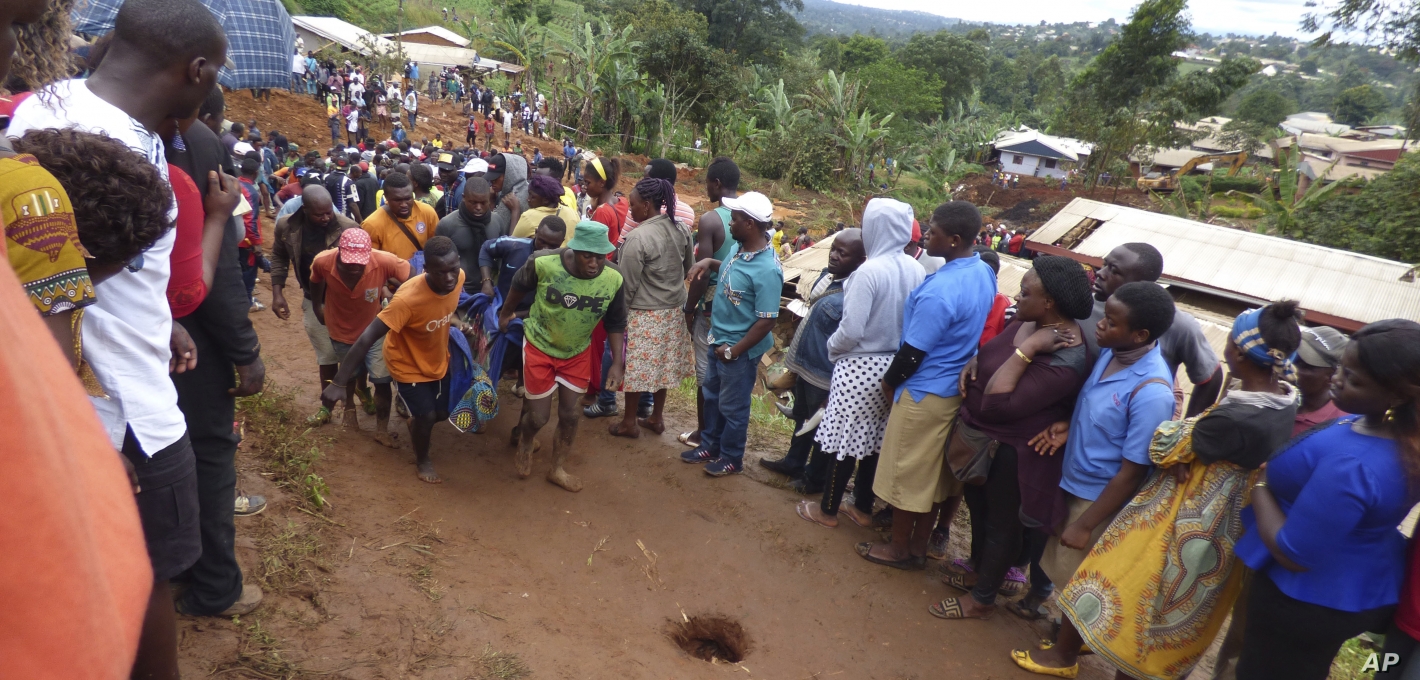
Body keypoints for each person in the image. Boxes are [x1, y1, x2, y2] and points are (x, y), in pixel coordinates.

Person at [8, 0, 229, 672]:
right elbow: (81, 276)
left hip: (64, 385)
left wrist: (164, 326)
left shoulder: (40, 108)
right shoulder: (129, 155)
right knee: (143, 575)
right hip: (121, 410)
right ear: (197, 70)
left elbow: (75, 271)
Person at [1046, 302, 1302, 680]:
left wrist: (1182, 444)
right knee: (1175, 610)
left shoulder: (1237, 416)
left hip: (1188, 518)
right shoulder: (1283, 398)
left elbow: (1162, 443)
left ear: (1238, 354)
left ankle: (1082, 658)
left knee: (1138, 593)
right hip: (1224, 519)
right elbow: (1188, 440)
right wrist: (1189, 443)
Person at [1232, 320, 1420, 680]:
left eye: (1353, 378)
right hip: (1349, 585)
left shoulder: (1355, 465)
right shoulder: (1397, 436)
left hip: (1303, 600)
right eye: (1341, 369)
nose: (1337, 380)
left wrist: (1261, 486)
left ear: (1396, 395)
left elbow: (1294, 551)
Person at [1011, 282, 1178, 677]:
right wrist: (1070, 425)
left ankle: (1064, 657)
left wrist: (1086, 524)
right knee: (1067, 569)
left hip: (1098, 497)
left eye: (1112, 322)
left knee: (1078, 579)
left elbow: (1132, 469)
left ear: (1141, 335)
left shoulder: (1152, 390)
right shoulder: (1112, 354)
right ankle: (1074, 640)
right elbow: (1097, 406)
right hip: (1075, 478)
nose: (1100, 325)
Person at [932, 256, 1094, 622]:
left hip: (1014, 454)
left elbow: (997, 404)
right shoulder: (1027, 321)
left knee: (1002, 524)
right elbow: (993, 356)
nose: (1017, 298)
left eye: (1025, 292)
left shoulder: (1066, 355)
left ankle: (983, 597)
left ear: (1049, 302)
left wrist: (1030, 348)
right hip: (983, 443)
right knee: (979, 507)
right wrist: (975, 362)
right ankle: (977, 568)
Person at [852, 201, 993, 569]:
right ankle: (916, 546)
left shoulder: (940, 290)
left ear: (954, 240)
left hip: (923, 390)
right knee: (931, 478)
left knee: (906, 472)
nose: (927, 235)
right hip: (951, 391)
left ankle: (899, 550)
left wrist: (888, 384)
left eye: (934, 232)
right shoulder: (980, 272)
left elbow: (913, 352)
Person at [796, 198, 924, 528]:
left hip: (859, 365)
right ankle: (862, 507)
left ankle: (826, 510)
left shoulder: (869, 271)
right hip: (893, 367)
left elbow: (851, 329)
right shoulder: (915, 268)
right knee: (873, 441)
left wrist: (833, 348)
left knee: (843, 439)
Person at [322, 236, 464, 483]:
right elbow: (366, 338)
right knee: (427, 417)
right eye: (441, 273)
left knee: (442, 412)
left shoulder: (459, 278)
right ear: (426, 269)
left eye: (453, 269)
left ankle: (416, 422)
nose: (450, 278)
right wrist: (338, 382)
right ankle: (423, 460)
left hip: (437, 357)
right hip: (406, 364)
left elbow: (445, 308)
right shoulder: (406, 300)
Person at [500, 221, 627, 492]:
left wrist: (617, 363)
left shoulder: (614, 278)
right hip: (539, 345)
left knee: (570, 415)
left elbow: (616, 322)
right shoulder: (543, 263)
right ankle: (525, 440)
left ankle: (557, 468)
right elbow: (519, 285)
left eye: (600, 256)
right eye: (587, 256)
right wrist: (505, 312)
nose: (594, 263)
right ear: (574, 249)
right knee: (538, 418)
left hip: (576, 352)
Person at [681, 191, 783, 477]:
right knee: (712, 397)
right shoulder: (741, 249)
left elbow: (767, 321)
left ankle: (731, 458)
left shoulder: (766, 270)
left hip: (736, 350)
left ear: (750, 224)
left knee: (733, 408)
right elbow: (728, 269)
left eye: (735, 220)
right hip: (719, 340)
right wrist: (708, 263)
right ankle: (711, 446)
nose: (730, 224)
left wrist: (734, 351)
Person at [761, 229, 866, 492]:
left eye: (843, 253)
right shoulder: (826, 279)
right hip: (804, 366)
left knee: (819, 426)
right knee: (802, 418)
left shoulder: (854, 294)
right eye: (834, 249)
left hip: (823, 371)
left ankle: (813, 479)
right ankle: (793, 462)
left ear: (861, 261)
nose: (834, 255)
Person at [1085, 243, 1223, 417]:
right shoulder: (1084, 307)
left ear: (1141, 284)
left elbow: (1211, 375)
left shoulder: (1177, 324)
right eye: (1104, 264)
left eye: (1114, 270)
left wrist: (1186, 434)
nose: (1100, 273)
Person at [608, 177, 696, 439]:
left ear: (646, 206)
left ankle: (629, 423)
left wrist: (618, 319)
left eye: (633, 205)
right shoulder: (682, 230)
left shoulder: (637, 238)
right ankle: (657, 418)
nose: (631, 210)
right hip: (674, 309)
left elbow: (627, 285)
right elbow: (687, 268)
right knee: (664, 366)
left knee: (635, 368)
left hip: (645, 313)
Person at [310, 228, 409, 447]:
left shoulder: (384, 261)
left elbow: (413, 279)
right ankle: (349, 411)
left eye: (359, 263)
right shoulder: (323, 261)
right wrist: (318, 306)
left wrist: (399, 301)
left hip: (374, 330)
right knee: (348, 374)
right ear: (338, 254)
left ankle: (381, 429)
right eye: (348, 263)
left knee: (382, 380)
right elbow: (315, 281)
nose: (354, 269)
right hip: (340, 328)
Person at [270, 185, 357, 423]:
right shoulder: (286, 226)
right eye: (319, 214)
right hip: (312, 299)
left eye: (329, 212)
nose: (326, 218)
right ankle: (327, 407)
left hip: (346, 302)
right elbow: (278, 255)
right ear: (305, 209)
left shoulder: (347, 228)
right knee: (327, 355)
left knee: (350, 354)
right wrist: (277, 292)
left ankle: (352, 405)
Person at [677, 157, 738, 446]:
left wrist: (689, 309)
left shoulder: (711, 219)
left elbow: (701, 274)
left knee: (705, 371)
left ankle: (704, 432)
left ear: (716, 183)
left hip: (712, 307)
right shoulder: (750, 216)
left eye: (707, 183)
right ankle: (725, 433)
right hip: (739, 305)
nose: (706, 189)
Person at [479, 216, 566, 301]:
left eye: (553, 246)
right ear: (536, 232)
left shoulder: (564, 265)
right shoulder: (513, 245)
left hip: (531, 314)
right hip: (499, 307)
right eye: (542, 241)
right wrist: (486, 281)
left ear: (562, 241)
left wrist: (511, 315)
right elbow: (486, 248)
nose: (545, 249)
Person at [437, 175, 495, 293]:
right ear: (464, 198)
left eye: (483, 203)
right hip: (459, 291)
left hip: (492, 290)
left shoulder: (497, 222)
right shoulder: (447, 224)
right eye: (473, 202)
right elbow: (439, 263)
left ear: (489, 199)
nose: (478, 207)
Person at [362, 171, 437, 261]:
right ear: (386, 197)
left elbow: (435, 246)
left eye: (408, 198)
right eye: (397, 200)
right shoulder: (372, 224)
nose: (404, 204)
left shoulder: (427, 212)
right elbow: (371, 261)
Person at [620, 158, 695, 243]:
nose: (642, 182)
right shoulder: (688, 213)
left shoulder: (640, 208)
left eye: (646, 179)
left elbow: (621, 246)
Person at [1292, 325, 1349, 435]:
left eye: (1302, 365)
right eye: (1291, 355)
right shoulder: (1271, 395)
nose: (1290, 366)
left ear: (1333, 376)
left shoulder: (1339, 426)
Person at [512, 174, 578, 245]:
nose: (528, 199)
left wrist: (515, 210)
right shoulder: (573, 213)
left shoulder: (529, 217)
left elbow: (512, 244)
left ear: (546, 200)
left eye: (532, 196)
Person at [485, 152, 529, 239]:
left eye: (496, 179)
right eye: (491, 179)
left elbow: (491, 235)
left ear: (509, 175)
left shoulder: (514, 198)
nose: (492, 182)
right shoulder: (506, 191)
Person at [323, 154, 363, 222]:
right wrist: (360, 220)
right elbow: (352, 204)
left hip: (329, 217)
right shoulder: (349, 182)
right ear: (348, 168)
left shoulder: (326, 178)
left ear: (335, 166)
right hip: (344, 219)